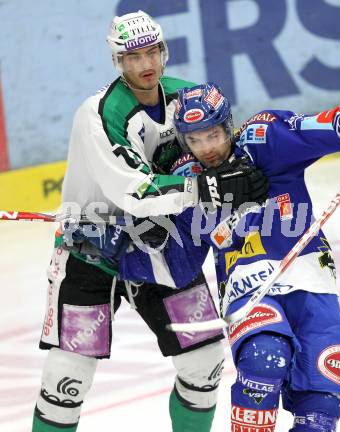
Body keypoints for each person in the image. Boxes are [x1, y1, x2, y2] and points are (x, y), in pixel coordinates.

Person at [117, 82, 340, 431]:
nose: (206, 148)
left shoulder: (263, 139)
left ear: (228, 126)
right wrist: (125, 239)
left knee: (322, 405)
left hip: (312, 282)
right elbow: (175, 258)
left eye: (212, 134)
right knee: (264, 358)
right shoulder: (189, 183)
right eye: (194, 139)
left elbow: (316, 128)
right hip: (248, 286)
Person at [32, 12, 268, 432]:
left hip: (161, 253)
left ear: (164, 51)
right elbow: (134, 192)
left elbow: (219, 151)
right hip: (92, 256)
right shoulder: (99, 113)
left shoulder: (188, 98)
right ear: (117, 63)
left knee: (205, 362)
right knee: (67, 379)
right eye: (133, 56)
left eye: (152, 52)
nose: (145, 64)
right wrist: (208, 189)